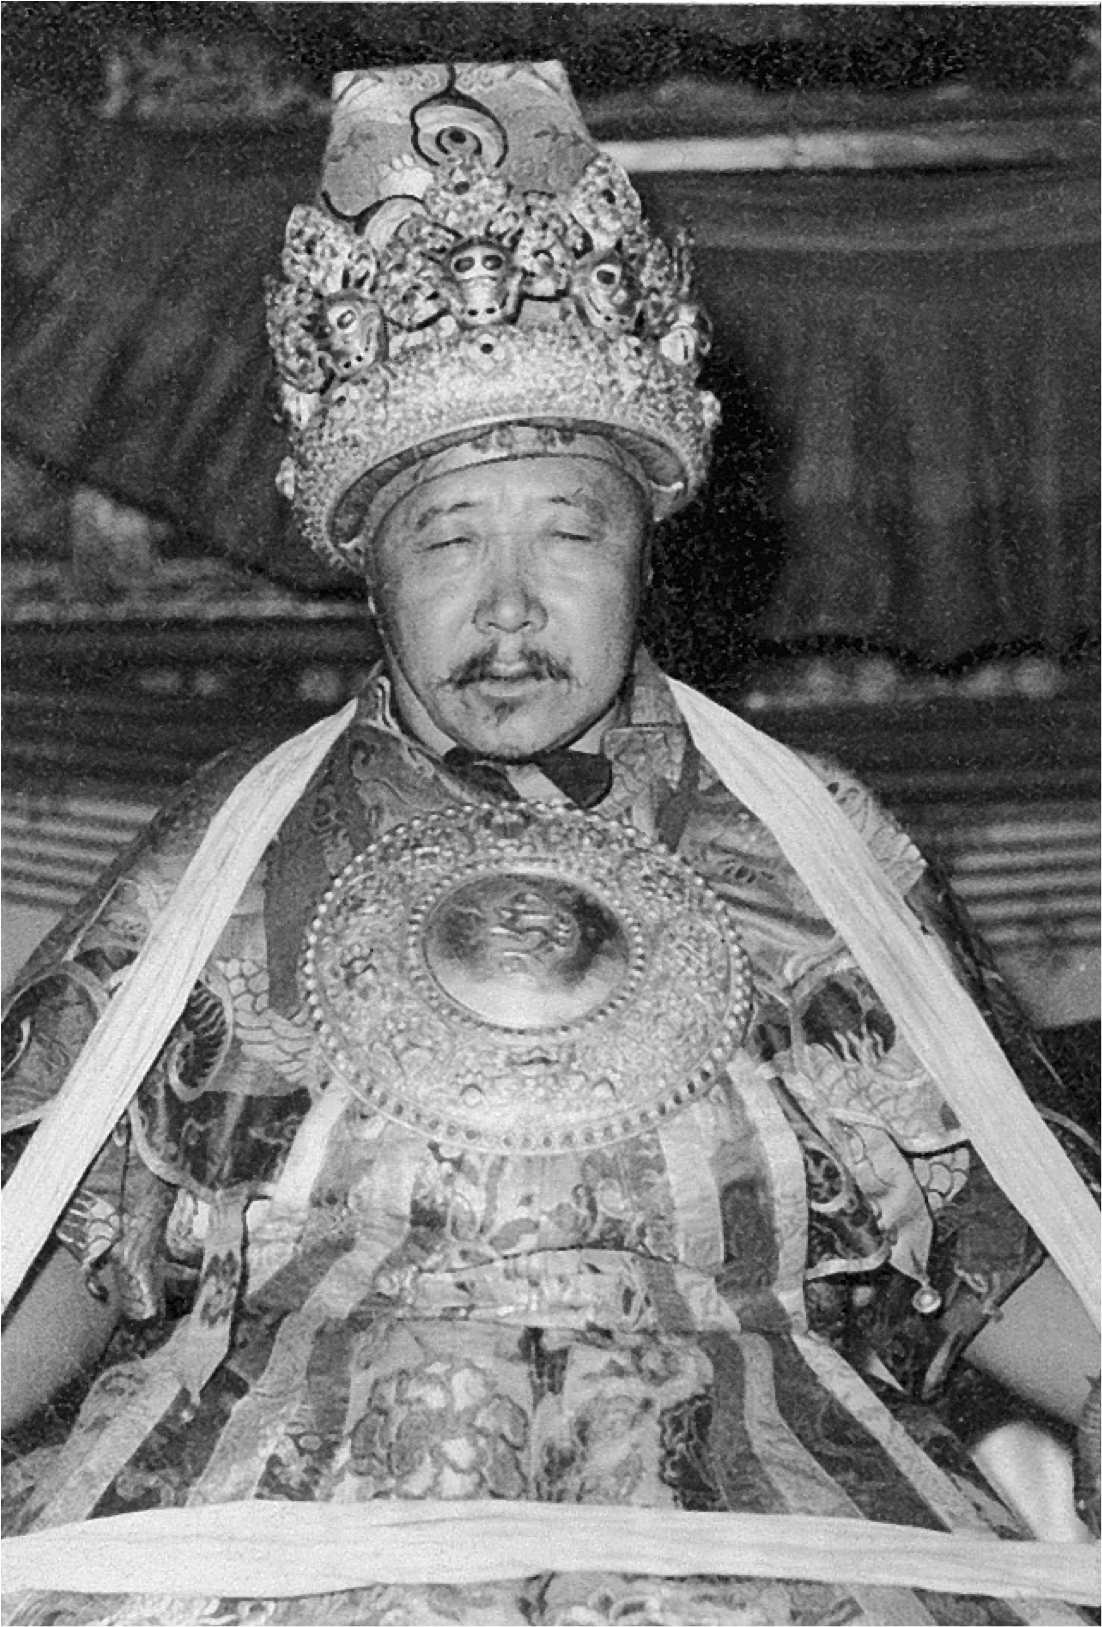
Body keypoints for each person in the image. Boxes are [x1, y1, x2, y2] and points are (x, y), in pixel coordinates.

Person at [0, 59, 1098, 1627]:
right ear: (370, 574)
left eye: (566, 533)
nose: (507, 606)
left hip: (760, 1533)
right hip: (264, 1527)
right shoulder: (229, 860)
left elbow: (976, 1222)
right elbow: (69, 1226)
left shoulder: (811, 846)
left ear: (646, 553)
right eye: (449, 538)